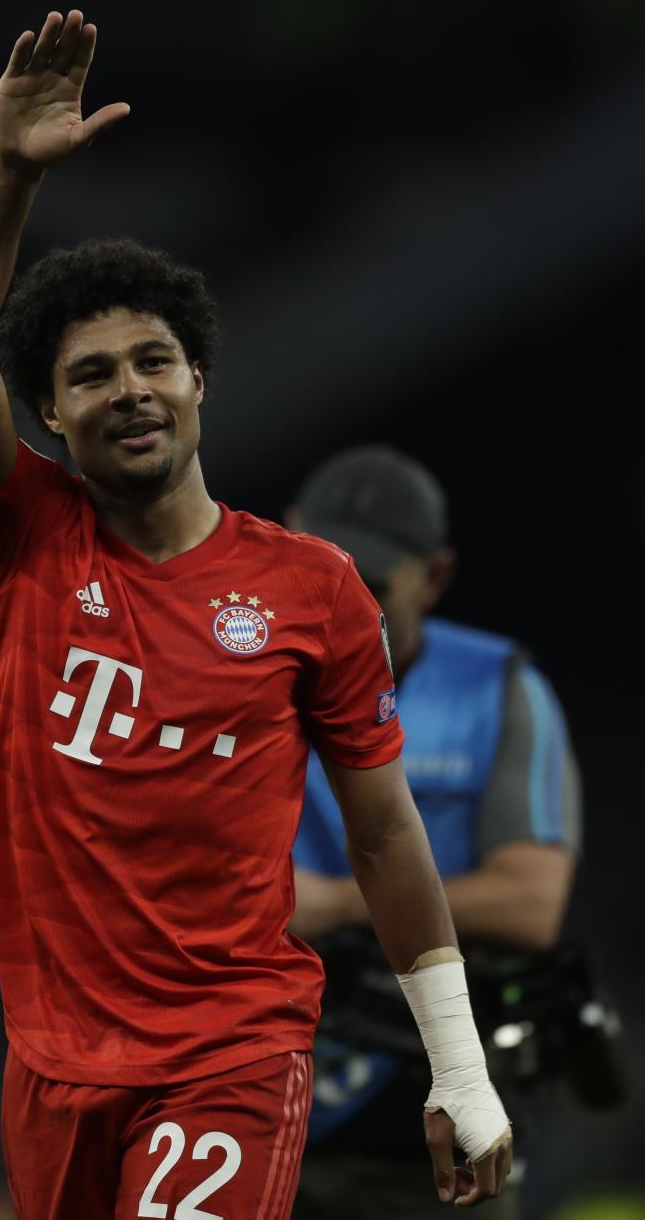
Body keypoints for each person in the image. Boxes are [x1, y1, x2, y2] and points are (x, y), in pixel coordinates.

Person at [0, 9, 512, 1219]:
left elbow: (386, 835)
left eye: (153, 360)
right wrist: (13, 173)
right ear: (48, 415)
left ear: (199, 381)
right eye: (89, 373)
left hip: (230, 1054)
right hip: (55, 1065)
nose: (128, 387)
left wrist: (460, 1059)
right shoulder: (18, 533)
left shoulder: (312, 587)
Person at [286, 445, 582, 1219]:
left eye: (376, 587)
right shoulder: (243, 675)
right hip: (267, 1100)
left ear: (436, 576)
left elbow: (531, 903)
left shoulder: (498, 690)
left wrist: (336, 902)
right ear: (287, 540)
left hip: (429, 1112)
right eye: (329, 572)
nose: (347, 606)